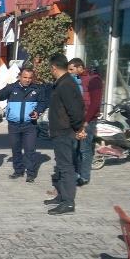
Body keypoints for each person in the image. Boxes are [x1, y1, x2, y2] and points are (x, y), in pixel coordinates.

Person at [45, 54, 85, 215]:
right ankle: (62, 196)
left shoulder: (66, 84)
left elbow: (76, 110)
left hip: (65, 131)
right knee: (61, 165)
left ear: (54, 67)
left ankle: (68, 202)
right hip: (60, 131)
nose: (50, 70)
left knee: (66, 167)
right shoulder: (62, 82)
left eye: (50, 68)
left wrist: (78, 128)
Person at [0, 68, 47, 183]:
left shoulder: (37, 89)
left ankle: (30, 173)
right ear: (20, 77)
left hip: (30, 125)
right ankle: (18, 171)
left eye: (30, 78)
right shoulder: (11, 87)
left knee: (30, 150)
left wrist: (37, 111)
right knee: (16, 149)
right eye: (25, 77)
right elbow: (0, 94)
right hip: (14, 125)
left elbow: (43, 103)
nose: (27, 80)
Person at [68, 58, 103, 186]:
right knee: (74, 148)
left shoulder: (94, 80)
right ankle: (76, 173)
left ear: (80, 67)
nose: (70, 72)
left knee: (84, 149)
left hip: (87, 120)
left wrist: (86, 121)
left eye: (72, 69)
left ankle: (84, 177)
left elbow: (95, 103)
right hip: (75, 119)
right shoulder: (76, 79)